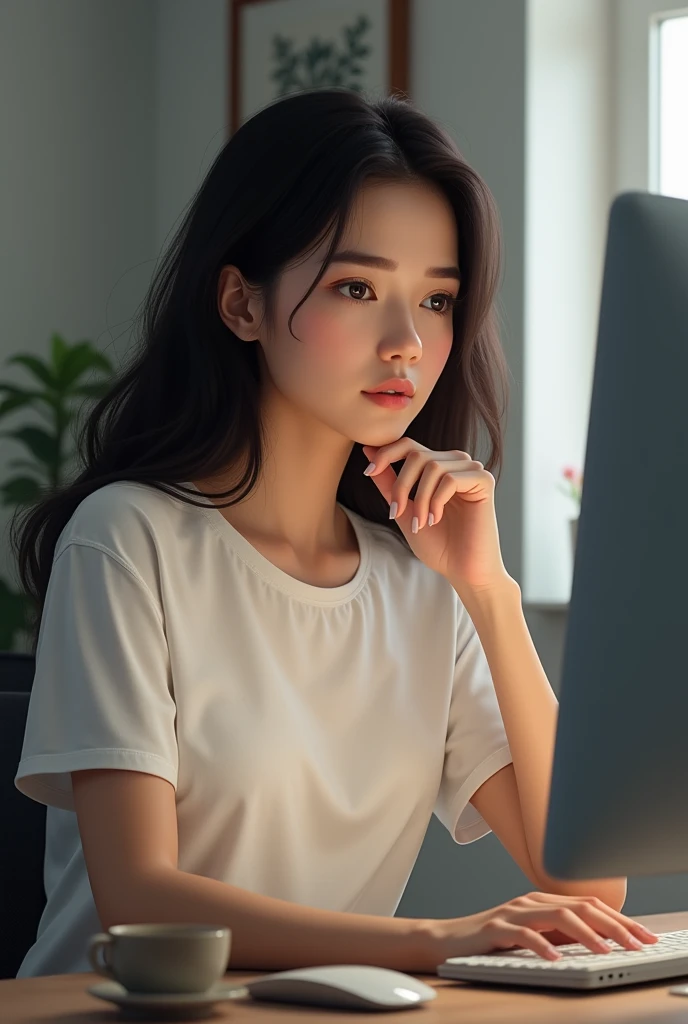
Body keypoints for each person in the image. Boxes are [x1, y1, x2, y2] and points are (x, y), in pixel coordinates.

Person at [11, 88, 656, 978]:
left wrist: (490, 593)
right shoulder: (127, 539)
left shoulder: (421, 582)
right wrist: (438, 941)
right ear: (241, 304)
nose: (407, 344)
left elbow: (586, 882)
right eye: (358, 288)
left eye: (436, 301)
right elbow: (141, 900)